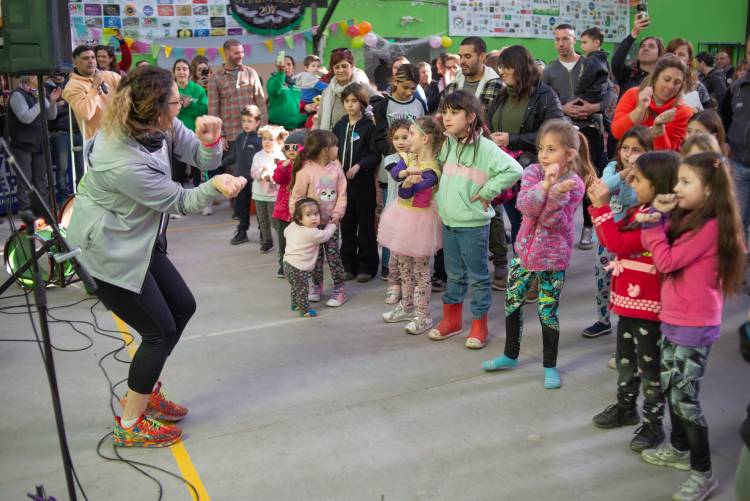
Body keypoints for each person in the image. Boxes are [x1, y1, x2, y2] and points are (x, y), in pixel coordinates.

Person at [65, 66, 246, 447]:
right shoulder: (121, 157)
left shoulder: (157, 124)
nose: (182, 104)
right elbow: (179, 199)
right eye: (176, 100)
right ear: (155, 108)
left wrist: (210, 142)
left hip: (138, 240)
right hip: (106, 252)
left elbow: (202, 157)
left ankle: (144, 391)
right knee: (158, 332)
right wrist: (214, 186)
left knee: (182, 307)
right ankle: (129, 425)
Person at [638, 152, 745, 501]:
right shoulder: (687, 219)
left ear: (710, 191)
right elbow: (647, 241)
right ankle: (680, 449)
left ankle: (703, 472)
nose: (677, 187)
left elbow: (666, 260)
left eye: (686, 182)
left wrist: (655, 224)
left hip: (695, 325)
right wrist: (661, 214)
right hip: (674, 318)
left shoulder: (710, 227)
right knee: (672, 387)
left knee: (686, 400)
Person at [481, 119, 594, 388]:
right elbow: (525, 207)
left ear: (570, 154)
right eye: (542, 148)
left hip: (553, 260)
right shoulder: (532, 172)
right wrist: (547, 188)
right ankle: (510, 354)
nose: (544, 154)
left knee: (547, 311)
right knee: (512, 302)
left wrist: (556, 193)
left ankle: (550, 365)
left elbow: (553, 221)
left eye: (551, 149)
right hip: (524, 254)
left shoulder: (575, 184)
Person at [587, 151, 680, 453]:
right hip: (628, 302)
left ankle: (653, 424)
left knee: (650, 367)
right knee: (626, 360)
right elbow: (610, 232)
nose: (633, 184)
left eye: (639, 180)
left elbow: (617, 242)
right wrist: (603, 203)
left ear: (659, 184)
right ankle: (626, 407)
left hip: (649, 307)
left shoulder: (659, 219)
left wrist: (600, 207)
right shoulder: (640, 209)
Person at [427, 91, 523, 350]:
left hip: (472, 225)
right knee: (454, 274)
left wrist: (488, 192)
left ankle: (479, 323)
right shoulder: (448, 142)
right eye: (445, 112)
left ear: (470, 117)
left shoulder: (485, 147)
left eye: (454, 112)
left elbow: (514, 169)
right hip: (448, 221)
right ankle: (452, 320)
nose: (447, 118)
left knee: (479, 277)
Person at [486, 45, 564, 290]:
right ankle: (527, 271)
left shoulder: (545, 95)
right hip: (508, 171)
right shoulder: (503, 94)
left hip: (532, 170)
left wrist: (513, 138)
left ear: (520, 66)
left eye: (507, 67)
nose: (502, 72)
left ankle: (535, 276)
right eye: (501, 68)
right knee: (519, 225)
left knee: (530, 225)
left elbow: (554, 132)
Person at [582, 126, 653, 341]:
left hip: (629, 240)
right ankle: (603, 320)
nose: (629, 154)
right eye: (626, 148)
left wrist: (634, 175)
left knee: (626, 284)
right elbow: (603, 186)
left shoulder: (648, 176)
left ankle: (628, 324)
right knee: (602, 280)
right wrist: (624, 173)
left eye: (637, 149)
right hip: (606, 236)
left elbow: (630, 200)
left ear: (648, 151)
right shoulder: (613, 167)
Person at [543, 24, 608, 250]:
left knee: (591, 177)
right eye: (557, 39)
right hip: (563, 133)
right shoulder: (549, 71)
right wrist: (563, 108)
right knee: (563, 182)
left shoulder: (591, 63)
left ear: (575, 40)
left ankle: (589, 227)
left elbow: (611, 95)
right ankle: (563, 229)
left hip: (591, 130)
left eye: (566, 39)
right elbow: (545, 103)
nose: (561, 44)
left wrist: (594, 107)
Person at [378, 117, 444, 334]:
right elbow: (396, 171)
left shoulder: (432, 171)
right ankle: (407, 305)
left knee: (421, 271)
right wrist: (404, 174)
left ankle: (423, 315)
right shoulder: (410, 157)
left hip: (420, 222)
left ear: (425, 139)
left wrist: (406, 182)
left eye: (411, 134)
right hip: (402, 216)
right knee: (404, 265)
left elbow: (407, 192)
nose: (407, 139)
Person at [288, 130, 348, 307]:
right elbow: (296, 197)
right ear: (325, 150)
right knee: (314, 257)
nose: (337, 148)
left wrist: (336, 216)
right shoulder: (306, 171)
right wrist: (301, 220)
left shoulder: (336, 168)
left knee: (333, 256)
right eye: (335, 145)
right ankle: (316, 285)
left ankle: (340, 289)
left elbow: (342, 195)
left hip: (330, 224)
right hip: (311, 227)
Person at [333, 83, 380, 282]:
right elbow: (332, 148)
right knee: (347, 225)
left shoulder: (369, 126)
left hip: (363, 184)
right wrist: (335, 163)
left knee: (366, 225)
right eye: (347, 101)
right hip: (343, 185)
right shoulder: (340, 125)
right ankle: (348, 265)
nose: (350, 105)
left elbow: (375, 154)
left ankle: (367, 267)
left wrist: (359, 166)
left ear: (362, 103)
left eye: (354, 101)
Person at [612, 54, 694, 151]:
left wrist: (659, 127)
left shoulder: (683, 111)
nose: (671, 86)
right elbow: (617, 133)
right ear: (655, 79)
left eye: (677, 82)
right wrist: (640, 109)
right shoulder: (633, 94)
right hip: (628, 159)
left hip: (658, 164)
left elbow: (666, 152)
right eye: (667, 79)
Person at [7, 75, 60, 215]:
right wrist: (41, 101)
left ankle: (44, 212)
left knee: (40, 179)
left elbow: (51, 116)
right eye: (37, 76)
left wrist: (53, 102)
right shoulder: (17, 94)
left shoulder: (38, 92)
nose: (40, 79)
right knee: (25, 179)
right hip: (22, 144)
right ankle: (27, 213)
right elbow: (26, 117)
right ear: (29, 77)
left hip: (39, 142)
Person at [283, 198, 338, 318]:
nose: (314, 218)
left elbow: (285, 232)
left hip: (287, 263)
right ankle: (305, 310)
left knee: (296, 287)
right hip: (298, 267)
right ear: (299, 218)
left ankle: (295, 304)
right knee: (303, 289)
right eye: (308, 215)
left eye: (316, 214)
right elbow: (326, 235)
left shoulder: (293, 226)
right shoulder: (311, 233)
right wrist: (332, 225)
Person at [208, 39, 267, 149]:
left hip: (253, 135)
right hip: (231, 137)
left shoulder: (251, 73)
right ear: (226, 54)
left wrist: (263, 130)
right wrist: (220, 136)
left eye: (242, 52)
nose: (241, 56)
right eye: (237, 53)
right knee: (234, 166)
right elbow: (213, 112)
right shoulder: (215, 78)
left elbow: (261, 103)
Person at [719, 35, 750, 242]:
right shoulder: (737, 87)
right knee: (736, 222)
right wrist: (725, 142)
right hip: (739, 163)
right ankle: (737, 270)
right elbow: (723, 117)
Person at [377, 119, 411, 301]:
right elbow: (398, 174)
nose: (400, 142)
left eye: (405, 137)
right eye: (396, 138)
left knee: (410, 253)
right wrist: (407, 158)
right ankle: (394, 284)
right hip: (395, 211)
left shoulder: (421, 158)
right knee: (394, 252)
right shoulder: (391, 159)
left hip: (414, 213)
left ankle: (408, 285)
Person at [63, 45, 122, 141]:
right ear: (75, 62)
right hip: (98, 143)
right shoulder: (72, 87)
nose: (91, 61)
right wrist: (94, 88)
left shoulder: (109, 76)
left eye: (93, 57)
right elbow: (86, 114)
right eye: (85, 58)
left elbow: (132, 93)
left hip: (122, 136)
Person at [223, 105, 262, 244]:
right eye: (244, 121)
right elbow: (234, 156)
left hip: (256, 180)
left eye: (249, 121)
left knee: (260, 209)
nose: (246, 124)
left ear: (257, 122)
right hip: (240, 179)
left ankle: (264, 232)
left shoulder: (260, 139)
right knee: (240, 208)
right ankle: (242, 231)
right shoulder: (239, 138)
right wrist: (220, 162)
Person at [273, 129, 307, 277]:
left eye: (296, 147)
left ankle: (300, 264)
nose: (291, 150)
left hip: (300, 211)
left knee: (300, 241)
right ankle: (283, 265)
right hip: (283, 211)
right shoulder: (283, 164)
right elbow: (278, 179)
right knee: (283, 241)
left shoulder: (306, 165)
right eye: (288, 147)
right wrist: (284, 166)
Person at [44, 72, 84, 203]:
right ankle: (63, 200)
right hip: (60, 132)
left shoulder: (71, 84)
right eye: (56, 71)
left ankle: (82, 196)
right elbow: (51, 113)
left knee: (81, 167)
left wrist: (63, 104)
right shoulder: (45, 87)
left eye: (61, 71)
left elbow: (79, 106)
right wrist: (62, 105)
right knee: (62, 167)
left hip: (77, 130)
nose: (59, 74)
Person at [373, 64, 428, 156]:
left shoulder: (420, 104)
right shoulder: (383, 106)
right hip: (392, 162)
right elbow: (380, 140)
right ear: (395, 81)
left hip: (417, 160)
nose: (409, 92)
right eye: (405, 87)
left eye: (413, 88)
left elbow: (425, 133)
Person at [316, 48, 375, 131]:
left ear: (352, 66)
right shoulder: (327, 91)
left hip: (359, 139)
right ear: (333, 69)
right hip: (331, 140)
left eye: (344, 66)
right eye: (337, 67)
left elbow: (379, 108)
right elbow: (320, 119)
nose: (341, 70)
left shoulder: (363, 87)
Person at [251, 125, 287, 253]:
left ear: (278, 141)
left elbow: (283, 173)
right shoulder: (258, 155)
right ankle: (267, 241)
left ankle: (285, 241)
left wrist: (272, 176)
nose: (266, 142)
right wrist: (262, 173)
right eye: (264, 138)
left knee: (274, 220)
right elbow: (253, 172)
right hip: (259, 193)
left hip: (274, 194)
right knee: (262, 220)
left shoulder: (281, 157)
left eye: (270, 139)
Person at [173, 59, 209, 185]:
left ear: (189, 72)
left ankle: (200, 200)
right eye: (178, 69)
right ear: (174, 72)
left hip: (195, 135)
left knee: (197, 171)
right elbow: (166, 112)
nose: (181, 72)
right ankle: (178, 200)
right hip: (176, 136)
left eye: (184, 69)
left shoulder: (198, 90)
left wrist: (190, 106)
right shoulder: (170, 89)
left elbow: (204, 110)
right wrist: (180, 108)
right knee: (177, 172)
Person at [442, 37, 503, 110]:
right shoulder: (453, 85)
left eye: (468, 56)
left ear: (482, 57)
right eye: (460, 56)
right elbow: (440, 113)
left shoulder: (496, 85)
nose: (462, 61)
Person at [611, 15, 663, 97]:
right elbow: (616, 63)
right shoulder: (627, 74)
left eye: (651, 46)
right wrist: (634, 33)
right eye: (642, 46)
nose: (645, 48)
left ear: (660, 55)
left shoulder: (660, 80)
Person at [666, 39, 712, 111]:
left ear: (689, 60)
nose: (675, 57)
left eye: (681, 55)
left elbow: (709, 115)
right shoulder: (656, 82)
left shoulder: (698, 87)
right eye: (672, 54)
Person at [267, 54, 307, 130]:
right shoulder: (274, 80)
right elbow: (273, 90)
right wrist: (281, 72)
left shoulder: (301, 83)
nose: (286, 67)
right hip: (278, 128)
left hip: (300, 127)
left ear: (293, 68)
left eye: (289, 64)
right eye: (283, 65)